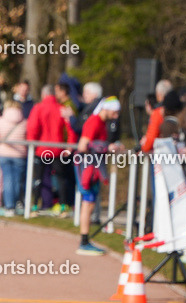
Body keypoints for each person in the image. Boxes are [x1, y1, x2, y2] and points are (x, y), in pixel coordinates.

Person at [75, 97, 122, 255]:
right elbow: (83, 145)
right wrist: (105, 147)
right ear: (107, 109)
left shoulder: (102, 123)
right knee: (87, 203)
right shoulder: (94, 121)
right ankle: (84, 241)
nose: (116, 116)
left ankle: (85, 239)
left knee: (90, 203)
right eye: (115, 112)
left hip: (94, 167)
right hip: (87, 167)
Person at [26, 81, 76, 214]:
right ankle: (63, 205)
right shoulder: (61, 108)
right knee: (60, 178)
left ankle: (35, 204)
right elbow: (70, 128)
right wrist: (69, 146)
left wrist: (31, 144)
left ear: (44, 94)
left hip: (42, 149)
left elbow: (32, 128)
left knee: (39, 177)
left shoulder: (38, 108)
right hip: (58, 149)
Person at [0, 99, 27, 216]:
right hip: (19, 154)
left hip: (4, 153)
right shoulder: (24, 122)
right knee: (17, 181)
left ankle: (9, 206)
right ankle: (15, 204)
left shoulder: (0, 121)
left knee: (7, 180)